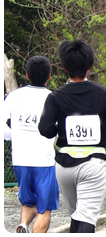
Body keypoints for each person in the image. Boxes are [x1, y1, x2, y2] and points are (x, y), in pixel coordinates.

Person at [39, 40, 106, 233]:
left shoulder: (56, 96)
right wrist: (102, 132)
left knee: (77, 216)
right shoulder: (104, 94)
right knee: (86, 218)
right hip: (92, 163)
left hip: (64, 166)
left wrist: (60, 131)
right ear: (90, 66)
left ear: (63, 67)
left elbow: (44, 129)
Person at [4, 56, 59, 233]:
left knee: (30, 201)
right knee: (45, 208)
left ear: (27, 75)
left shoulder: (14, 96)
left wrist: (14, 135)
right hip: (44, 160)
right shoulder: (53, 97)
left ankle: (23, 225)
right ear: (49, 76)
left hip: (20, 159)